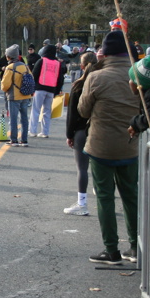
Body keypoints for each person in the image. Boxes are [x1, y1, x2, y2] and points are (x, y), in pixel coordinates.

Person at [78, 30, 141, 265]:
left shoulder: (96, 77)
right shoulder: (138, 76)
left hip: (101, 146)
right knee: (131, 196)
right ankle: (135, 246)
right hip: (130, 145)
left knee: (105, 198)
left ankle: (111, 249)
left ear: (106, 53)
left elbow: (83, 111)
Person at [64, 51, 98, 215]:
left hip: (81, 130)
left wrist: (69, 134)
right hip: (99, 129)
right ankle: (103, 198)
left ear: (82, 66)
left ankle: (82, 203)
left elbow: (72, 114)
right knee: (100, 167)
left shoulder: (78, 85)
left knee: (82, 168)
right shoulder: (100, 83)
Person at [30, 44, 66, 139]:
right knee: (47, 111)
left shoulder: (42, 61)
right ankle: (45, 132)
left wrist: (32, 88)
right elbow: (60, 79)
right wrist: (57, 91)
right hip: (51, 90)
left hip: (40, 88)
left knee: (36, 110)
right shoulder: (57, 63)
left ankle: (33, 131)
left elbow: (34, 74)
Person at [0, 45, 33, 148]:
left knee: (13, 119)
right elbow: (31, 78)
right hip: (25, 95)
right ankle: (24, 140)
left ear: (8, 56)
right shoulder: (25, 66)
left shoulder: (10, 67)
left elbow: (5, 85)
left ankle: (14, 140)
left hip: (14, 96)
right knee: (24, 118)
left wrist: (5, 90)